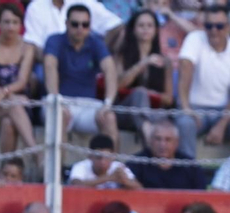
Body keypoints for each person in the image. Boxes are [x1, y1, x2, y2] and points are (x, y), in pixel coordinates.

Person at [175, 4, 230, 158]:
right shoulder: (194, 38)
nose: (214, 30)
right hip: (194, 108)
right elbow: (185, 69)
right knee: (185, 123)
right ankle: (187, 175)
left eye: (219, 26)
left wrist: (221, 125)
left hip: (225, 111)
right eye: (209, 26)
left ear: (228, 27)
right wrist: (185, 107)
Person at [46, 4, 120, 139]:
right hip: (60, 101)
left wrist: (107, 103)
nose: (80, 28)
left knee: (109, 117)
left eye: (85, 24)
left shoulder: (96, 42)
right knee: (59, 115)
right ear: (66, 23)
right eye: (75, 24)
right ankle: (58, 161)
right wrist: (56, 99)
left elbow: (110, 69)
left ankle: (112, 161)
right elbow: (50, 67)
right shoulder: (54, 40)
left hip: (88, 105)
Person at [0, 3, 37, 158]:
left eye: (15, 22)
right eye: (6, 22)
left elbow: (22, 81)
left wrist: (5, 93)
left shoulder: (28, 48)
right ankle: (36, 153)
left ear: (21, 25)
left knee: (8, 123)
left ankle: (6, 169)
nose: (11, 27)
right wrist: (2, 95)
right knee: (14, 105)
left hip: (16, 99)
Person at [116, 7, 173, 145]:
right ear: (134, 29)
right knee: (139, 93)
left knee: (171, 116)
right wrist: (143, 64)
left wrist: (150, 95)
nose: (145, 29)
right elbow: (118, 84)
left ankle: (147, 131)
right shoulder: (122, 54)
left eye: (149, 26)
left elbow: (169, 99)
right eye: (141, 25)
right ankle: (149, 141)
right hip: (125, 111)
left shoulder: (165, 61)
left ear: (156, 30)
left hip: (153, 113)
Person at [130, 117, 207, 189]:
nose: (162, 144)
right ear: (150, 141)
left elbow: (202, 195)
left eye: (168, 140)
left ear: (177, 142)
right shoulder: (137, 162)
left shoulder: (190, 166)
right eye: (158, 139)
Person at [25, 0, 123, 51]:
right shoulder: (36, 7)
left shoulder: (82, 1)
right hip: (47, 63)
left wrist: (99, 52)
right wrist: (52, 62)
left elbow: (116, 25)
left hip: (83, 63)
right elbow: (33, 45)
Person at [69, 132, 142, 187]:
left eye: (107, 157)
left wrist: (125, 181)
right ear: (90, 156)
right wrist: (108, 178)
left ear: (113, 156)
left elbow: (140, 189)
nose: (103, 162)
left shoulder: (118, 167)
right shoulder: (81, 166)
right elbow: (75, 185)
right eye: (98, 158)